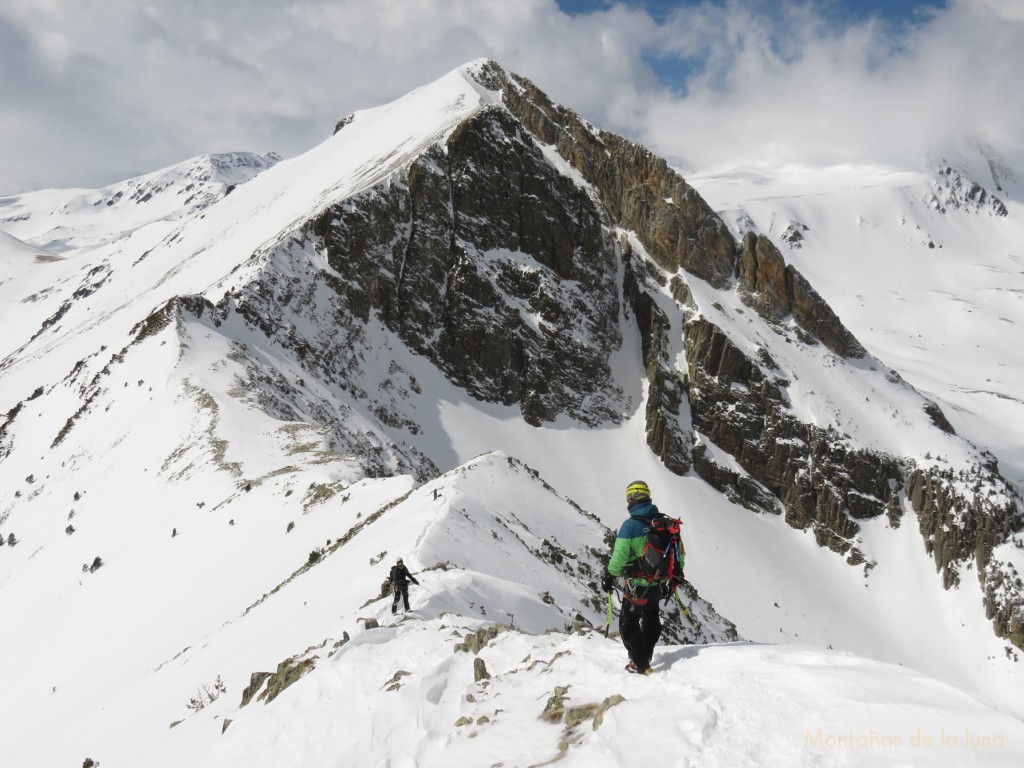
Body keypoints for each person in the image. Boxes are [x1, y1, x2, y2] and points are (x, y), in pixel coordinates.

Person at [602, 480, 677, 674]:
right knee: (651, 616)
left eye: (629, 498)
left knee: (628, 622)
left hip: (638, 586)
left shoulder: (631, 526)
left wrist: (609, 575)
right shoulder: (665, 523)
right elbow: (679, 554)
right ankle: (647, 653)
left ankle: (641, 663)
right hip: (659, 584)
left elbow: (618, 558)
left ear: (633, 498)